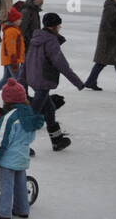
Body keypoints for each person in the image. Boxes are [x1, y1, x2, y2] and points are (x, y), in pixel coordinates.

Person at [0, 79, 44, 219]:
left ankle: (3, 212)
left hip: (8, 159)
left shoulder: (9, 118)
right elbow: (30, 137)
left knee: (6, 186)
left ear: (6, 100)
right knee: (21, 185)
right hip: (22, 156)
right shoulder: (29, 114)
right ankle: (22, 209)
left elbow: (1, 141)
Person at [24, 12, 84, 152]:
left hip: (34, 77)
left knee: (49, 109)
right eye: (59, 25)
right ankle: (21, 145)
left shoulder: (37, 37)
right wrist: (78, 82)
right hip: (43, 80)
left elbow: (27, 61)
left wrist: (23, 79)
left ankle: (57, 140)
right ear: (54, 26)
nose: (60, 27)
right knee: (31, 116)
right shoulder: (51, 40)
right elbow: (61, 64)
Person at [85, 0, 116, 91]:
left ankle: (90, 82)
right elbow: (107, 26)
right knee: (106, 62)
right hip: (109, 41)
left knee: (111, 63)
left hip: (112, 39)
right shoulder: (110, 8)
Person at [0, 5, 26, 97]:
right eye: (19, 19)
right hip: (12, 60)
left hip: (10, 59)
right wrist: (14, 61)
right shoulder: (11, 31)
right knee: (19, 80)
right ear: (13, 20)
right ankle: (21, 98)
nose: (21, 21)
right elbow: (10, 47)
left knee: (6, 79)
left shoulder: (13, 29)